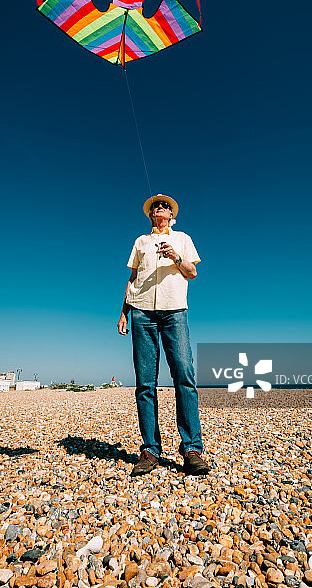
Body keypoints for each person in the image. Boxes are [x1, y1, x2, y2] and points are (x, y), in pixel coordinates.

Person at [118, 194, 210, 477]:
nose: (160, 208)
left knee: (184, 376)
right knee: (145, 382)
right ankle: (150, 450)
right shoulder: (140, 242)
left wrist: (176, 257)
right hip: (141, 312)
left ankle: (192, 450)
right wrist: (123, 311)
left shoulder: (183, 238)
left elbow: (192, 272)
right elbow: (132, 279)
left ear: (172, 215)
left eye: (165, 206)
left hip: (175, 312)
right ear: (150, 215)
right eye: (156, 206)